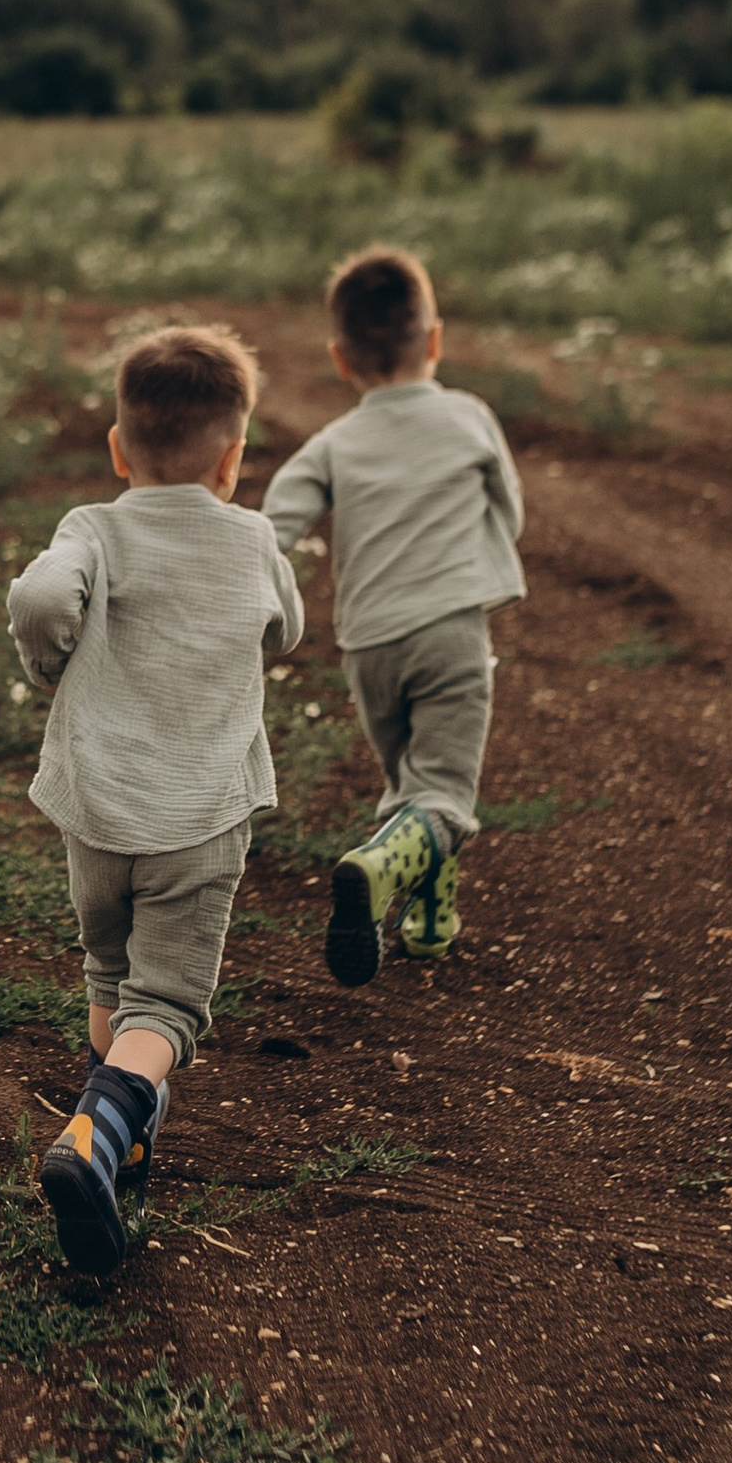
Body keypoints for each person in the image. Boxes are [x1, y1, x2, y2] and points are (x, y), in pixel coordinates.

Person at [6, 322, 303, 1282]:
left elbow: (44, 599)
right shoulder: (253, 537)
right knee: (168, 1003)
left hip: (98, 807)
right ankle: (97, 1132)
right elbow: (288, 630)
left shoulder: (92, 526)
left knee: (108, 964)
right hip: (201, 814)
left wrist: (52, 659)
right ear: (235, 458)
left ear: (118, 449)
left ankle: (125, 1149)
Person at [261, 244, 525, 989]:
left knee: (413, 779)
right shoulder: (470, 418)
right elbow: (511, 513)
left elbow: (272, 527)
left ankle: (430, 921)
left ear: (341, 359)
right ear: (434, 340)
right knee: (441, 791)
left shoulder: (333, 443)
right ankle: (378, 872)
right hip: (450, 632)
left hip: (368, 646)